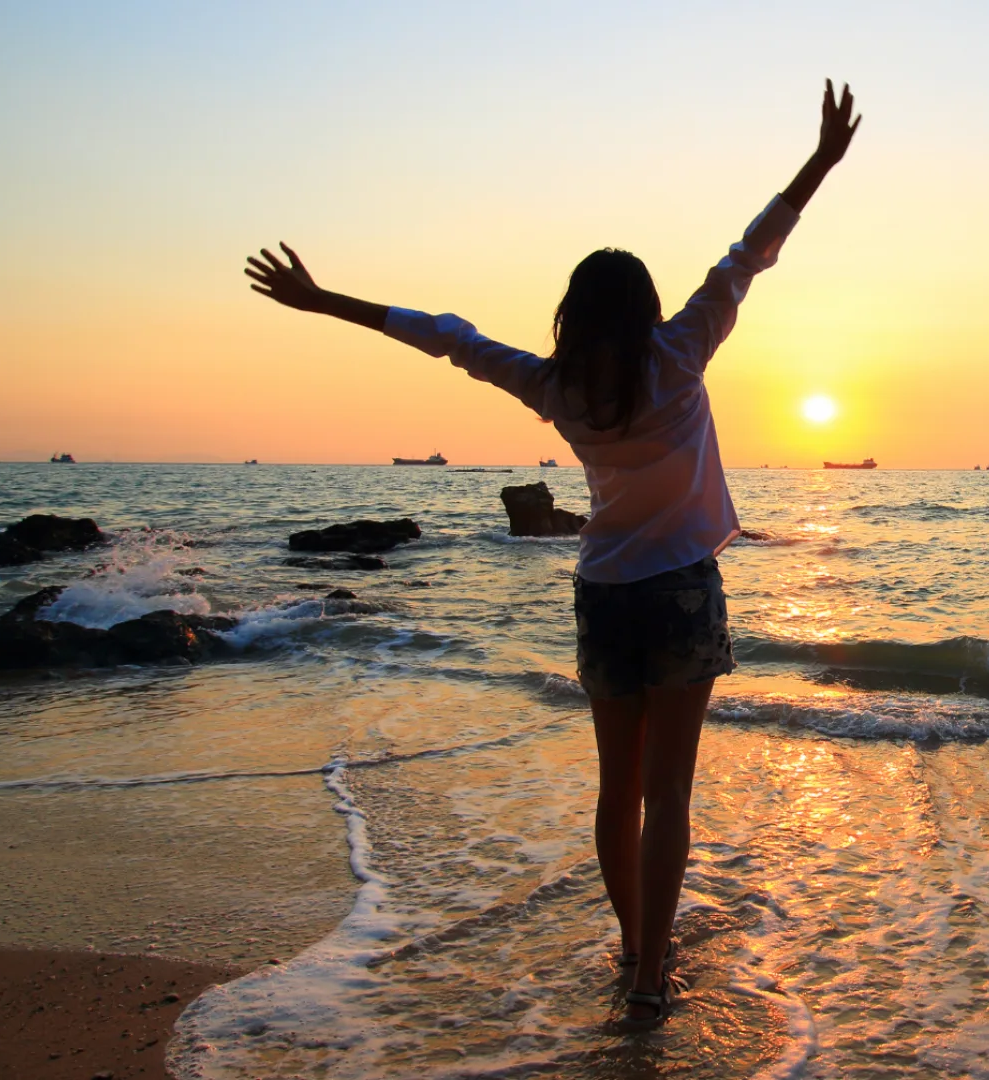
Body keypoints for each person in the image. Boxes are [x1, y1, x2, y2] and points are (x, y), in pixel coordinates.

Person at [243, 80, 861, 1028]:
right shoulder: (680, 355)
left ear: (573, 314)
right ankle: (654, 976)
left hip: (605, 593)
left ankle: (632, 950)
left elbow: (445, 338)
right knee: (670, 797)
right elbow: (750, 256)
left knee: (619, 792)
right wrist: (820, 162)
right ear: (645, 306)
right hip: (685, 595)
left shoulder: (553, 387)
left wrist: (323, 300)